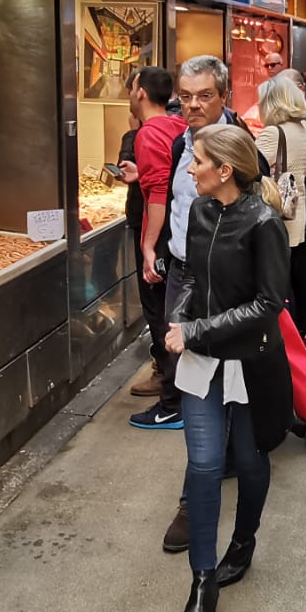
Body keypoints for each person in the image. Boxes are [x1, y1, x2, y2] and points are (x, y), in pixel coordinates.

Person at [163, 123, 293, 612]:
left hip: (250, 361)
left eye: (197, 161)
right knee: (203, 465)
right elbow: (193, 275)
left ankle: (242, 545)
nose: (189, 169)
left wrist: (196, 329)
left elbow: (269, 305)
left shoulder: (264, 223)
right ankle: (202, 579)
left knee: (249, 456)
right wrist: (181, 320)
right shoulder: (199, 211)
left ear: (225, 170)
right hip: (202, 357)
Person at [255, 75, 306, 350]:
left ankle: (282, 336)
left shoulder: (273, 132)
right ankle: (296, 330)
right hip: (295, 212)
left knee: (277, 279)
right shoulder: (300, 128)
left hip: (276, 216)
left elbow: (252, 169)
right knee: (294, 274)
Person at [126, 67, 189, 401]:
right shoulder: (177, 125)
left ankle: (170, 389)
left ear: (141, 93)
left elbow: (158, 193)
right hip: (178, 233)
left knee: (160, 312)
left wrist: (149, 245)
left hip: (163, 235)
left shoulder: (148, 133)